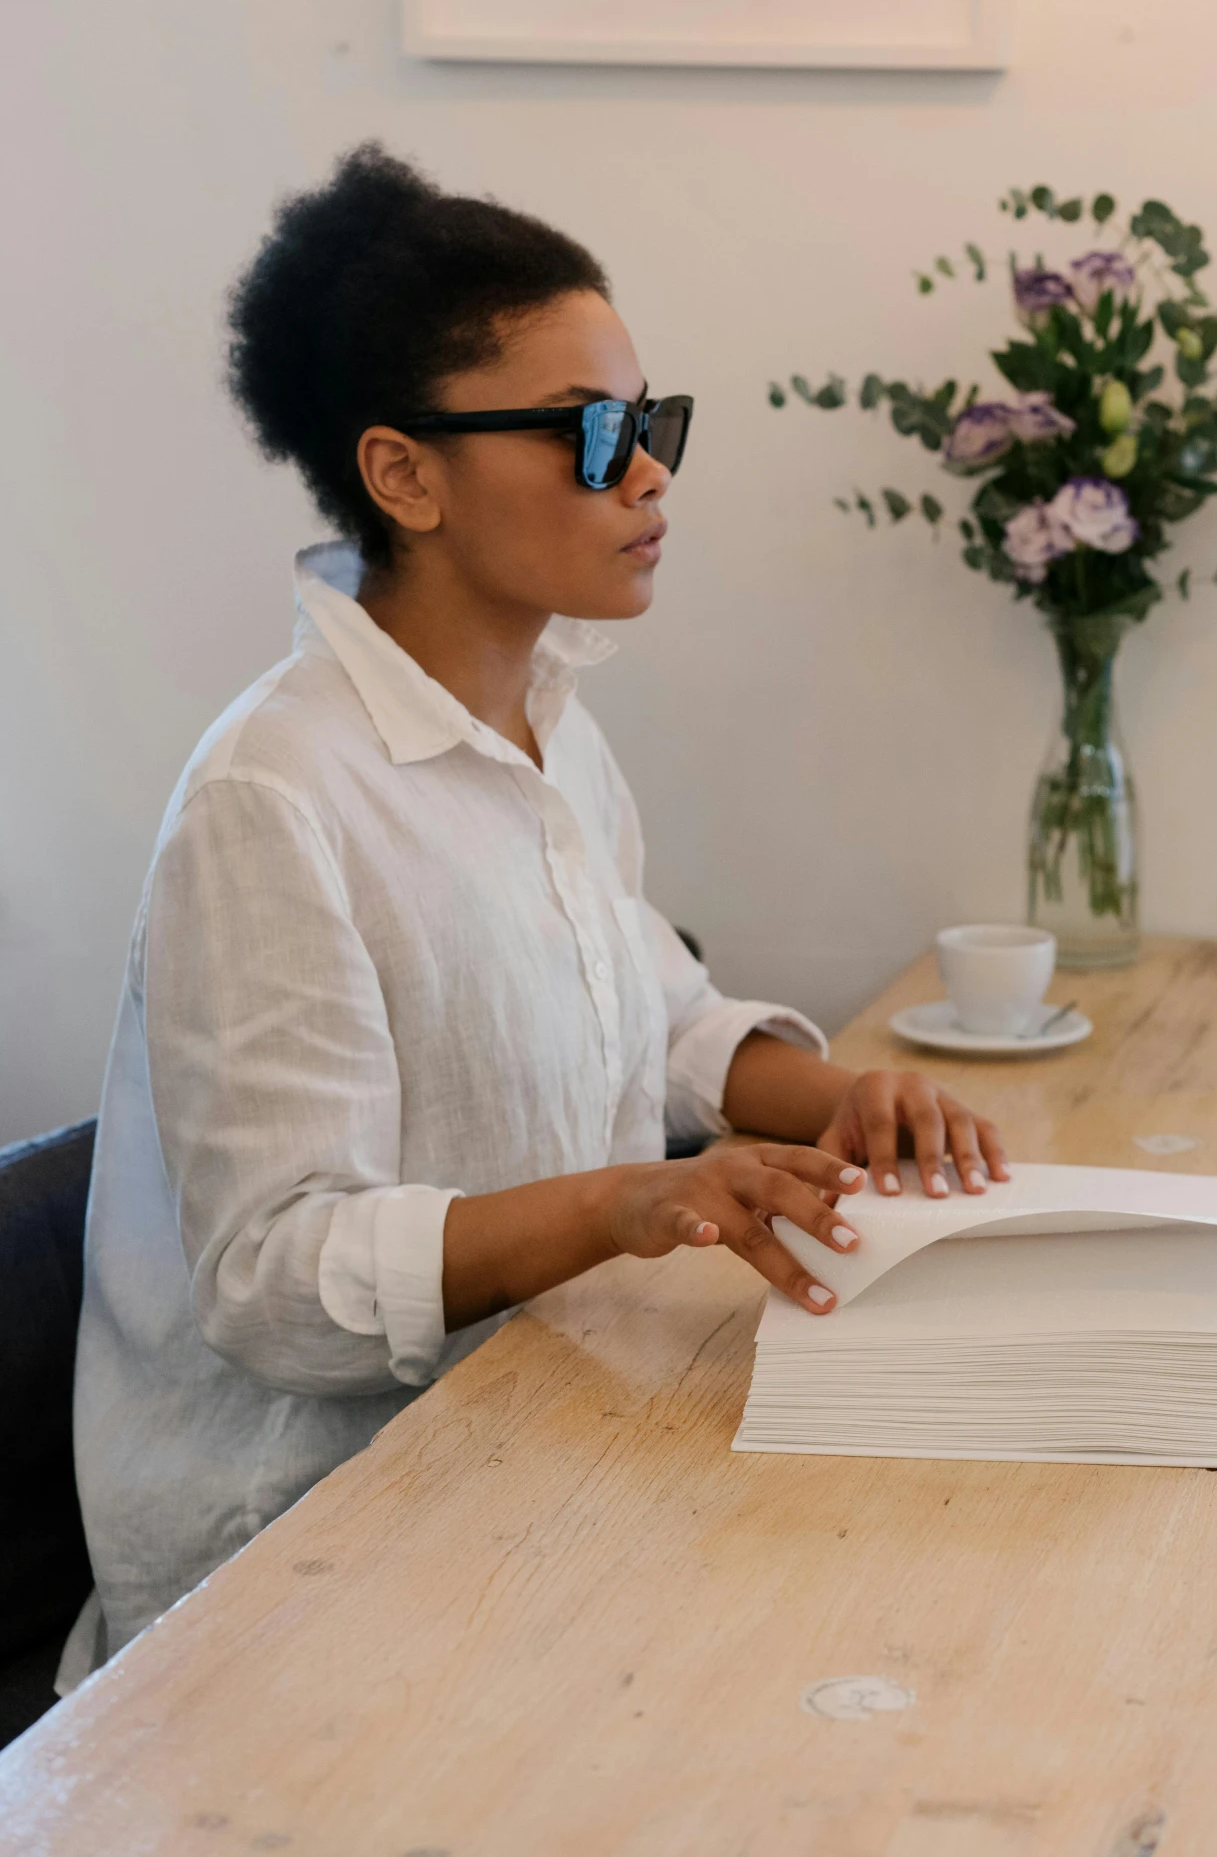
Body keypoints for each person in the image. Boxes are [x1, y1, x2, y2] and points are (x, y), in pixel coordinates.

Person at [63, 146, 1008, 1681]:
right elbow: (271, 1278)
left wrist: (848, 1101)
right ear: (404, 475)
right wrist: (619, 1201)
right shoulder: (273, 795)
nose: (647, 474)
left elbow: (659, 1016)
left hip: (536, 1428)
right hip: (302, 1554)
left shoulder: (552, 724)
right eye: (590, 435)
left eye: (650, 425)